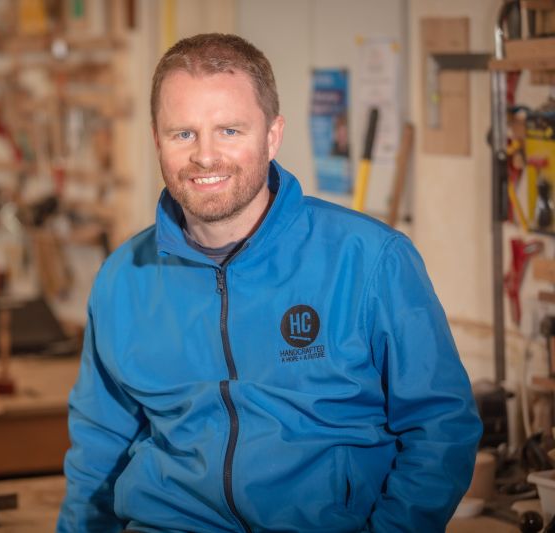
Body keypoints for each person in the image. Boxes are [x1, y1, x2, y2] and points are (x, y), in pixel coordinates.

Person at [57, 33, 481, 533]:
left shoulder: (369, 261)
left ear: (273, 135)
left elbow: (441, 429)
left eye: (230, 131)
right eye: (183, 134)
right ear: (156, 139)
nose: (206, 156)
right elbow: (97, 450)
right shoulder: (122, 279)